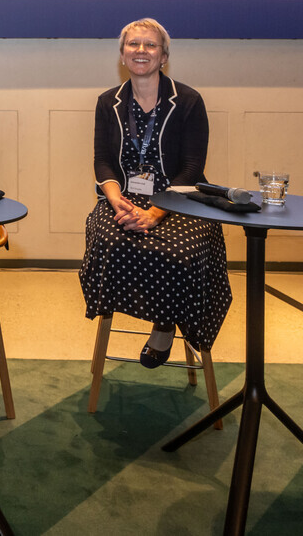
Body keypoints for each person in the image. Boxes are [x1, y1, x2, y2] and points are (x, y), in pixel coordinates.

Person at [79, 18, 231, 367]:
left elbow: (192, 167)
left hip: (180, 200)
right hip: (123, 199)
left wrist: (155, 213)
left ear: (163, 57)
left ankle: (164, 325)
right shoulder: (108, 103)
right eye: (133, 44)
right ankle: (150, 312)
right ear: (122, 54)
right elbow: (102, 161)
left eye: (150, 45)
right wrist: (115, 198)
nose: (141, 51)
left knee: (180, 252)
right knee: (109, 241)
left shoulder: (189, 101)